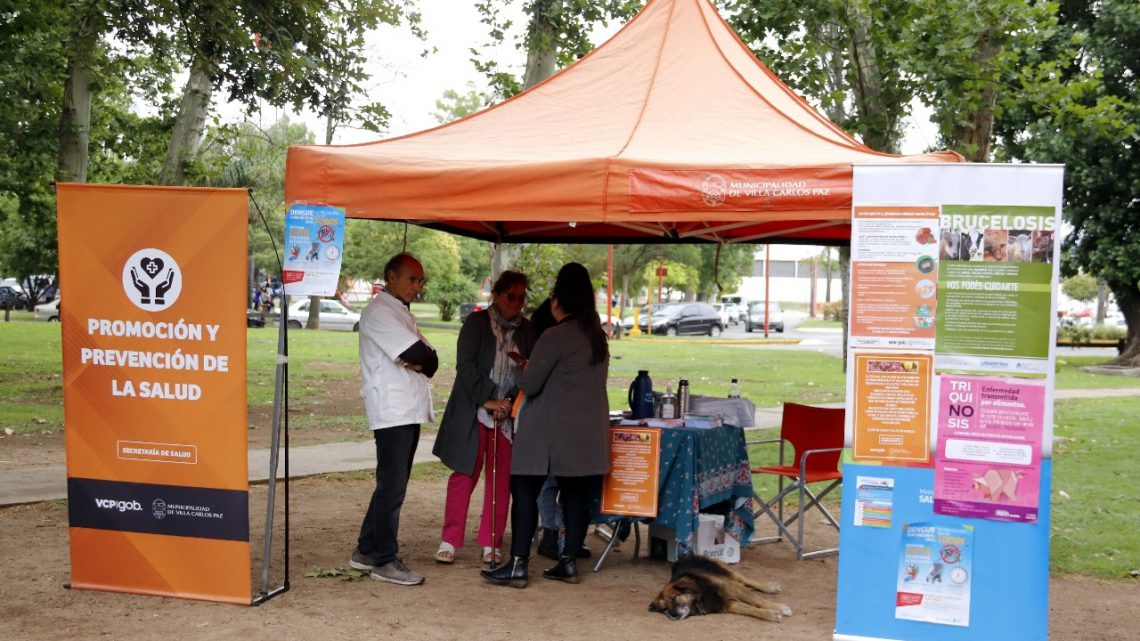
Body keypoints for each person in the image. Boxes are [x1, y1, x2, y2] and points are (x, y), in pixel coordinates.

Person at [481, 263, 610, 588]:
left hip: (549, 433)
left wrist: (527, 369)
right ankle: (568, 562)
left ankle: (519, 563)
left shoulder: (555, 335)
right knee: (575, 496)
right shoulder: (597, 338)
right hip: (587, 432)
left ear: (557, 299)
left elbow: (532, 382)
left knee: (524, 491)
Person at [432, 270, 536, 565]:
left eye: (521, 297)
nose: (516, 302)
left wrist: (507, 402)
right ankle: (450, 539)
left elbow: (531, 368)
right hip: (473, 412)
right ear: (497, 295)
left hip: (507, 415)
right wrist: (488, 398)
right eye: (510, 296)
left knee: (501, 480)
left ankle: (492, 541)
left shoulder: (527, 330)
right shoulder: (476, 323)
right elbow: (465, 366)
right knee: (464, 474)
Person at [348, 252, 438, 586]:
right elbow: (417, 354)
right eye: (412, 279)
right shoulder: (379, 312)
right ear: (391, 276)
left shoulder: (399, 312)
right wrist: (420, 358)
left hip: (406, 409)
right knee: (392, 487)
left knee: (390, 484)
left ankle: (366, 549)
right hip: (392, 410)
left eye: (420, 281)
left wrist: (421, 358)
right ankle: (384, 560)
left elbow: (430, 361)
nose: (417, 286)